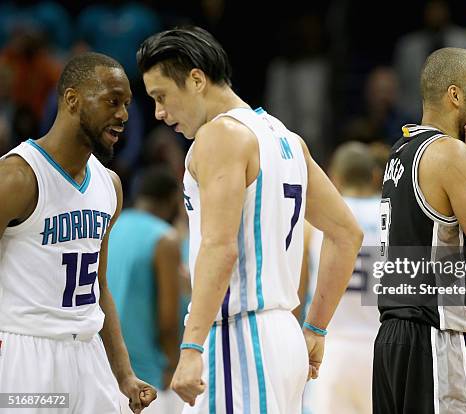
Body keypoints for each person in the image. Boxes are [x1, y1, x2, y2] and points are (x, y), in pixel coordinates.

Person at [136, 26, 363, 413]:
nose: (158, 113)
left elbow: (219, 247)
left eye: (162, 97)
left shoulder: (219, 136)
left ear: (195, 79)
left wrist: (191, 346)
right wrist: (316, 327)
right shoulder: (287, 137)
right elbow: (347, 234)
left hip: (239, 338)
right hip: (283, 339)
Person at [0, 52, 156, 413]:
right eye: (112, 101)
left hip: (89, 355)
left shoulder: (110, 185)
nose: (123, 115)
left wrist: (125, 375)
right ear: (72, 99)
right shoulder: (18, 177)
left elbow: (99, 288)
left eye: (127, 104)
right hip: (27, 354)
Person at [375, 47, 466, 414]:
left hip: (392, 340)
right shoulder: (450, 154)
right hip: (439, 341)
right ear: (455, 95)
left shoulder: (400, 151)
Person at [304, 142, 381, 414]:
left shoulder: (315, 223)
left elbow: (299, 292)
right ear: (375, 175)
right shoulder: (393, 218)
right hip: (383, 347)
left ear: (334, 177)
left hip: (331, 348)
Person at [107, 166, 184, 414]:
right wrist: (173, 367)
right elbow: (168, 320)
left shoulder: (112, 227)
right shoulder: (165, 239)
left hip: (107, 370)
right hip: (148, 380)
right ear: (173, 200)